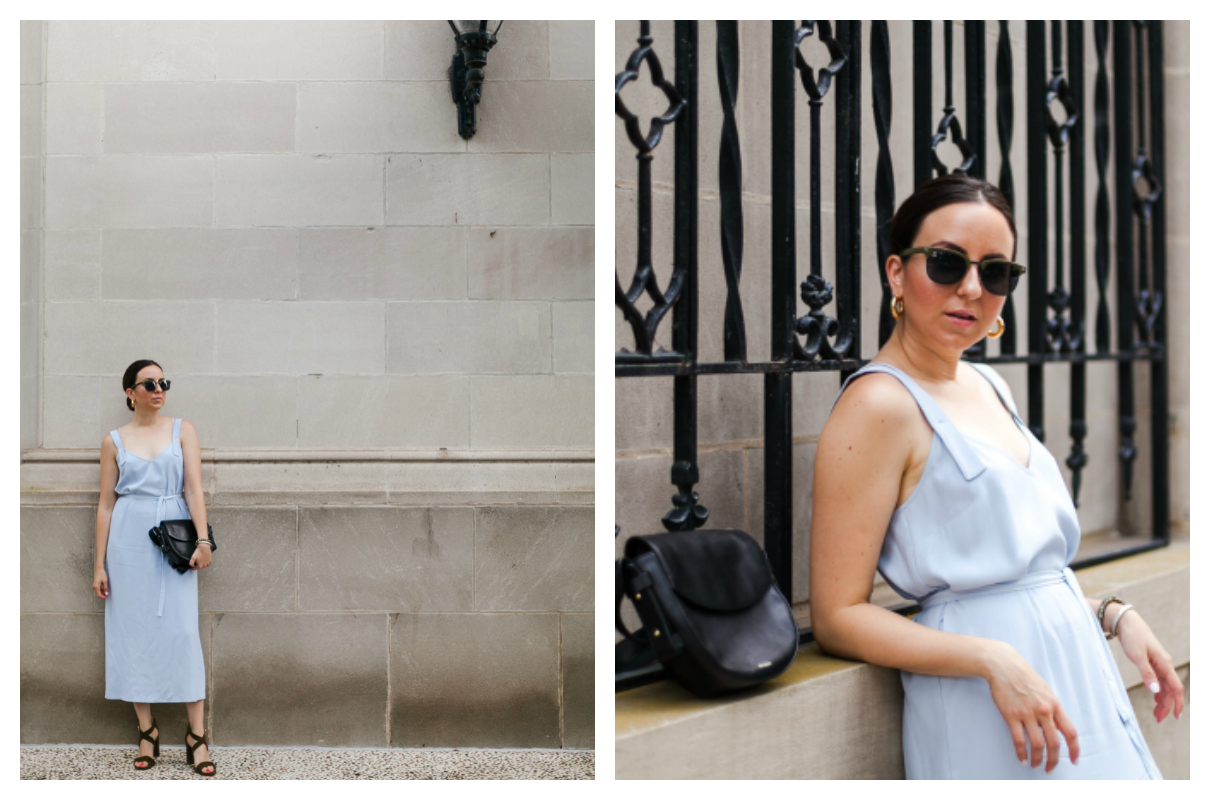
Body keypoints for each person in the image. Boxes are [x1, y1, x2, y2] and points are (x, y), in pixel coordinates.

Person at [809, 174, 1183, 779]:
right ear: (897, 273)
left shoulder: (988, 383)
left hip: (1072, 686)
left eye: (996, 271)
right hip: (987, 705)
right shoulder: (878, 406)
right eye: (947, 263)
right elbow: (837, 615)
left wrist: (1113, 614)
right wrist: (990, 660)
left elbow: (1008, 576)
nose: (972, 289)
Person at [93, 360, 216, 776]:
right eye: (149, 384)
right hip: (127, 543)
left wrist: (202, 539)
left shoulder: (183, 429)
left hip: (173, 539)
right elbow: (106, 503)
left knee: (182, 632)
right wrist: (99, 564)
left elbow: (194, 487)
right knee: (132, 632)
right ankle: (147, 730)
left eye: (164, 382)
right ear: (130, 392)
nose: (159, 389)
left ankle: (197, 736)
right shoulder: (114, 440)